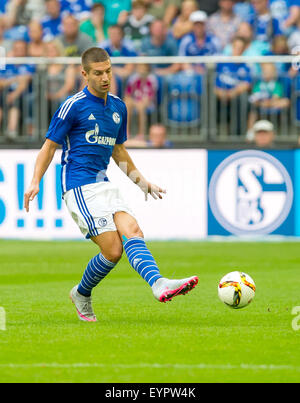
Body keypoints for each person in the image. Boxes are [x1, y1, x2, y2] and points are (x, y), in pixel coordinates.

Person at [24, 47, 198, 322]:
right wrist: (35, 181)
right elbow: (48, 147)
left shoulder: (118, 106)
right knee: (113, 251)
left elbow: (118, 151)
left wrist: (142, 182)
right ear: (84, 74)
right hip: (79, 187)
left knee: (133, 229)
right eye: (98, 73)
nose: (105, 77)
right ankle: (82, 293)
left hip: (103, 184)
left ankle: (158, 283)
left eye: (108, 71)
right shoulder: (73, 105)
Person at [124, 63, 158, 139]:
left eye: (143, 68)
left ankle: (141, 134)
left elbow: (151, 95)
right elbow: (128, 93)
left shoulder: (151, 79)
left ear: (147, 68)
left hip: (148, 102)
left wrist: (141, 101)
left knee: (141, 106)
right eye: (140, 67)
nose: (142, 70)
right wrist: (130, 100)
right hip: (136, 100)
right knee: (127, 104)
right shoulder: (134, 78)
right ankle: (126, 132)